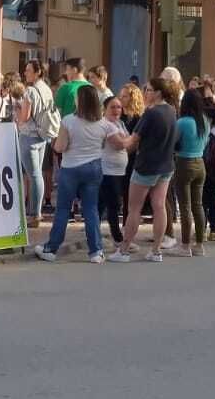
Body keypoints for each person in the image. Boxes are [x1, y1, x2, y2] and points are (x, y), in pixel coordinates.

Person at [34, 85, 124, 263]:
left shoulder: (69, 121)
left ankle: (51, 248)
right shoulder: (104, 124)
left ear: (79, 101)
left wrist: (54, 142)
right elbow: (115, 142)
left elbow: (60, 147)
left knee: (63, 209)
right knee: (91, 210)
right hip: (94, 167)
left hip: (71, 168)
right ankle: (96, 251)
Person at [109, 76, 179, 263]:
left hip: (146, 166)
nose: (145, 93)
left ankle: (123, 250)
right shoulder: (171, 111)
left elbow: (132, 141)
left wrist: (115, 140)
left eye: (148, 90)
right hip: (166, 165)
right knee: (159, 206)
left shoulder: (151, 113)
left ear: (157, 93)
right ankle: (156, 251)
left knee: (134, 209)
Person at [163, 87, 210, 256]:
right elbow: (205, 143)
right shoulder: (204, 120)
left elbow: (173, 142)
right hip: (200, 163)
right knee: (198, 206)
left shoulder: (182, 122)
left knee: (184, 207)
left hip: (184, 163)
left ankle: (185, 246)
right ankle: (199, 244)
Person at [14, 60, 58, 227]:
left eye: (28, 70)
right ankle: (36, 213)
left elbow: (24, 117)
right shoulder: (46, 89)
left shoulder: (30, 91)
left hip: (29, 135)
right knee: (37, 173)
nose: (25, 73)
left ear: (38, 72)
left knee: (34, 175)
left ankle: (34, 214)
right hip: (42, 135)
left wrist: (17, 111)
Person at [99, 94, 131, 248]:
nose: (116, 110)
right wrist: (127, 140)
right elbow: (119, 144)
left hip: (119, 171)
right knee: (111, 204)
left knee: (110, 204)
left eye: (119, 106)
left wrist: (127, 141)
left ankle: (99, 235)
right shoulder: (105, 124)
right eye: (112, 107)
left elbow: (130, 144)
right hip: (108, 171)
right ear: (104, 109)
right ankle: (117, 238)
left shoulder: (120, 124)